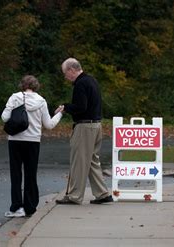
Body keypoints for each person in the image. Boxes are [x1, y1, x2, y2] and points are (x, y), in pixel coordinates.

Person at [1, 75, 64, 217]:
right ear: (36, 86)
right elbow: (49, 125)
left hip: (15, 140)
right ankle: (29, 208)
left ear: (22, 85)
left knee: (16, 174)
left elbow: (5, 118)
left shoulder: (14, 97)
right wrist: (59, 114)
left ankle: (16, 208)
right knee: (31, 174)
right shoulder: (41, 101)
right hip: (33, 142)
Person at [55, 58, 113, 205]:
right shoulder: (92, 80)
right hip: (96, 125)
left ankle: (74, 196)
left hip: (85, 127)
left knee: (79, 161)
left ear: (71, 70)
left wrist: (66, 107)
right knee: (92, 161)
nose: (65, 77)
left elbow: (81, 107)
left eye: (65, 73)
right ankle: (102, 193)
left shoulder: (80, 84)